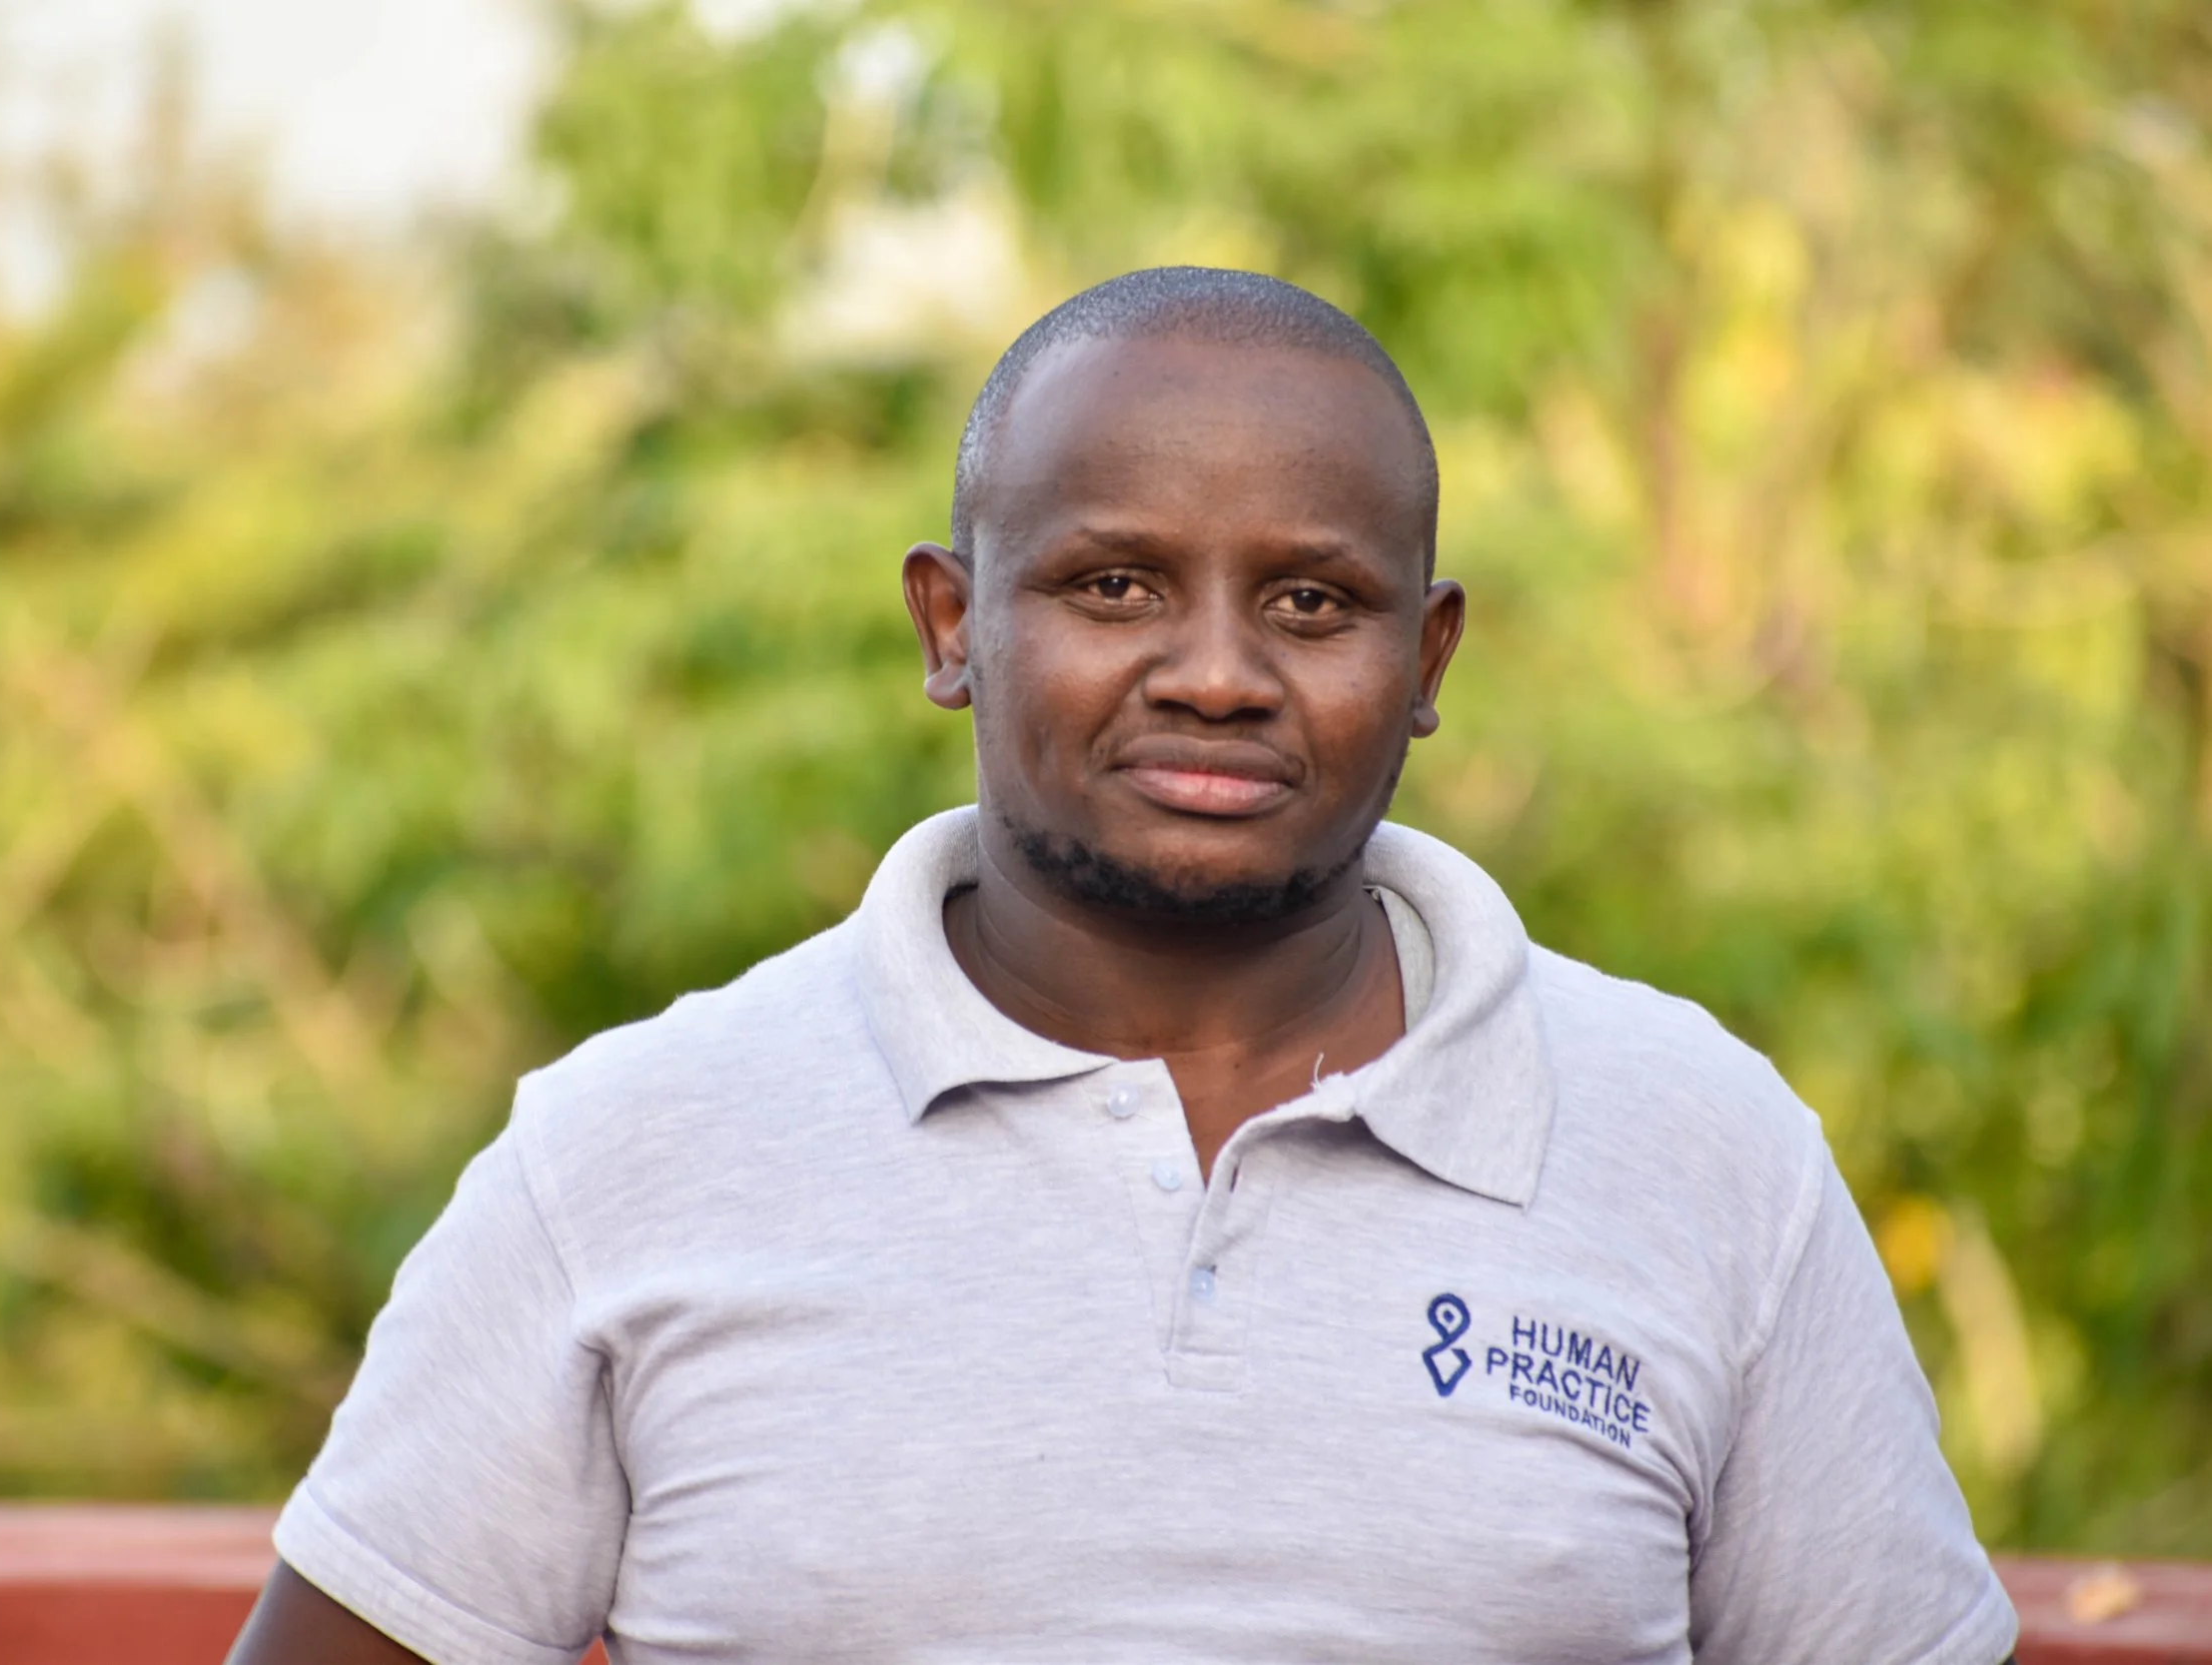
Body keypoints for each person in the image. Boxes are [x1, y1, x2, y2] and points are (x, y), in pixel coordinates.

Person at [228, 267, 2019, 1664]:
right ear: (952, 625)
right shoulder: (627, 1151)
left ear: (1428, 655)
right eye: (1114, 587)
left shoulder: (1705, 1153)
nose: (1220, 671)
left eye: (1312, 601)